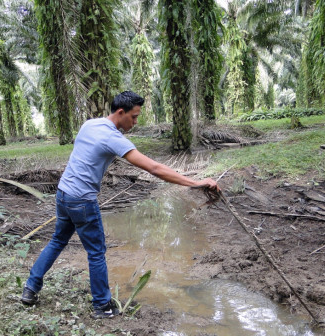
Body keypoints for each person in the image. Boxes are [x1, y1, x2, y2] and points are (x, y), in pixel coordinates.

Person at [21, 91, 220, 319]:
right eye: (133, 117)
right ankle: (102, 306)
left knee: (58, 240)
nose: (135, 123)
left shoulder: (90, 125)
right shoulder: (112, 138)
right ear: (120, 112)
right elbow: (153, 168)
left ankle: (31, 287)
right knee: (96, 253)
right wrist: (195, 182)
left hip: (63, 194)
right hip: (82, 201)